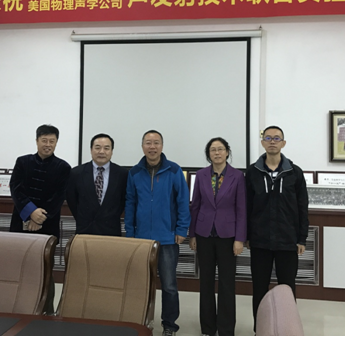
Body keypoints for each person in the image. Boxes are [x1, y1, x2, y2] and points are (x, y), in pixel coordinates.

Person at [125, 130, 191, 336]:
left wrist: (181, 229)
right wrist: (130, 233)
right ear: (142, 146)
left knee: (169, 285)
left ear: (162, 146)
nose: (152, 147)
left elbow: (183, 202)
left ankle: (169, 324)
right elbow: (130, 203)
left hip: (168, 238)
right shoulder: (134, 173)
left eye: (156, 143)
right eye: (148, 143)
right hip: (141, 239)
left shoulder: (174, 170)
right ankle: (141, 320)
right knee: (141, 283)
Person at [245, 125, 309, 329]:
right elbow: (246, 206)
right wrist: (247, 236)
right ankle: (260, 330)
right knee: (259, 288)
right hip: (260, 241)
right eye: (268, 138)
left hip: (287, 240)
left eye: (276, 138)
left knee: (287, 289)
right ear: (262, 142)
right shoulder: (253, 172)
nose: (272, 141)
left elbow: (302, 207)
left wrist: (301, 238)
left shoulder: (294, 173)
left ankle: (287, 329)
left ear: (283, 143)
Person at [9, 124, 71, 315]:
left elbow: (59, 197)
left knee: (45, 269)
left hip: (47, 225)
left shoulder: (63, 167)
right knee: (20, 267)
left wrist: (39, 218)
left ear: (56, 143)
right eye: (44, 140)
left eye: (52, 141)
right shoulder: (22, 162)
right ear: (37, 141)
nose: (48, 144)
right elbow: (16, 189)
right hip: (21, 222)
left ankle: (47, 311)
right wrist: (30, 212)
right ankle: (18, 308)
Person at [189, 137, 247, 336]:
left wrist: (240, 238)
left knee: (226, 284)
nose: (217, 153)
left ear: (227, 152)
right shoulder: (201, 175)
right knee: (205, 282)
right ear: (209, 154)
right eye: (213, 150)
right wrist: (192, 234)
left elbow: (241, 209)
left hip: (228, 236)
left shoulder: (237, 176)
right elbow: (195, 205)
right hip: (204, 234)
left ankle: (226, 328)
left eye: (220, 149)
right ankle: (208, 328)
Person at [66, 133, 128, 236]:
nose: (102, 152)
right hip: (85, 230)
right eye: (97, 148)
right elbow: (72, 200)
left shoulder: (122, 174)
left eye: (106, 148)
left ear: (112, 151)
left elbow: (123, 202)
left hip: (111, 231)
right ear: (91, 150)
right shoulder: (76, 173)